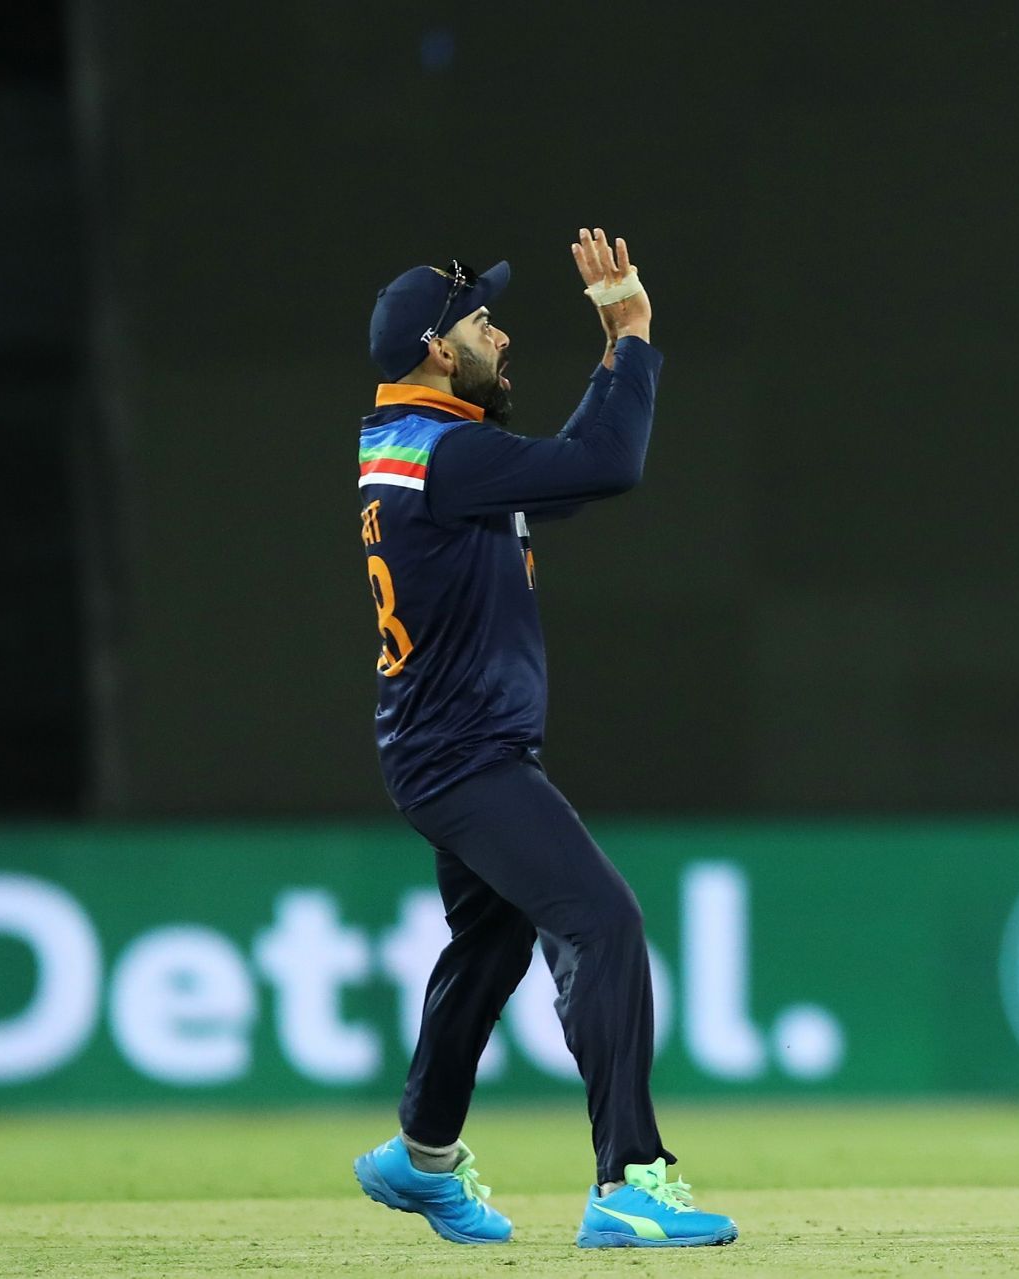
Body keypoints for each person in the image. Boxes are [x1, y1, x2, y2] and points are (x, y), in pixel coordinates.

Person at [348, 230, 736, 1248]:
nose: (501, 333)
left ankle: (421, 1155)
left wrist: (616, 352)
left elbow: (562, 477)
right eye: (481, 323)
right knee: (601, 921)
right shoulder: (454, 452)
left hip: (439, 748)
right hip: (468, 757)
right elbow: (605, 466)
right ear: (438, 348)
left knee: (496, 936)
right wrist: (635, 334)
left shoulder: (407, 440)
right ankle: (631, 1181)